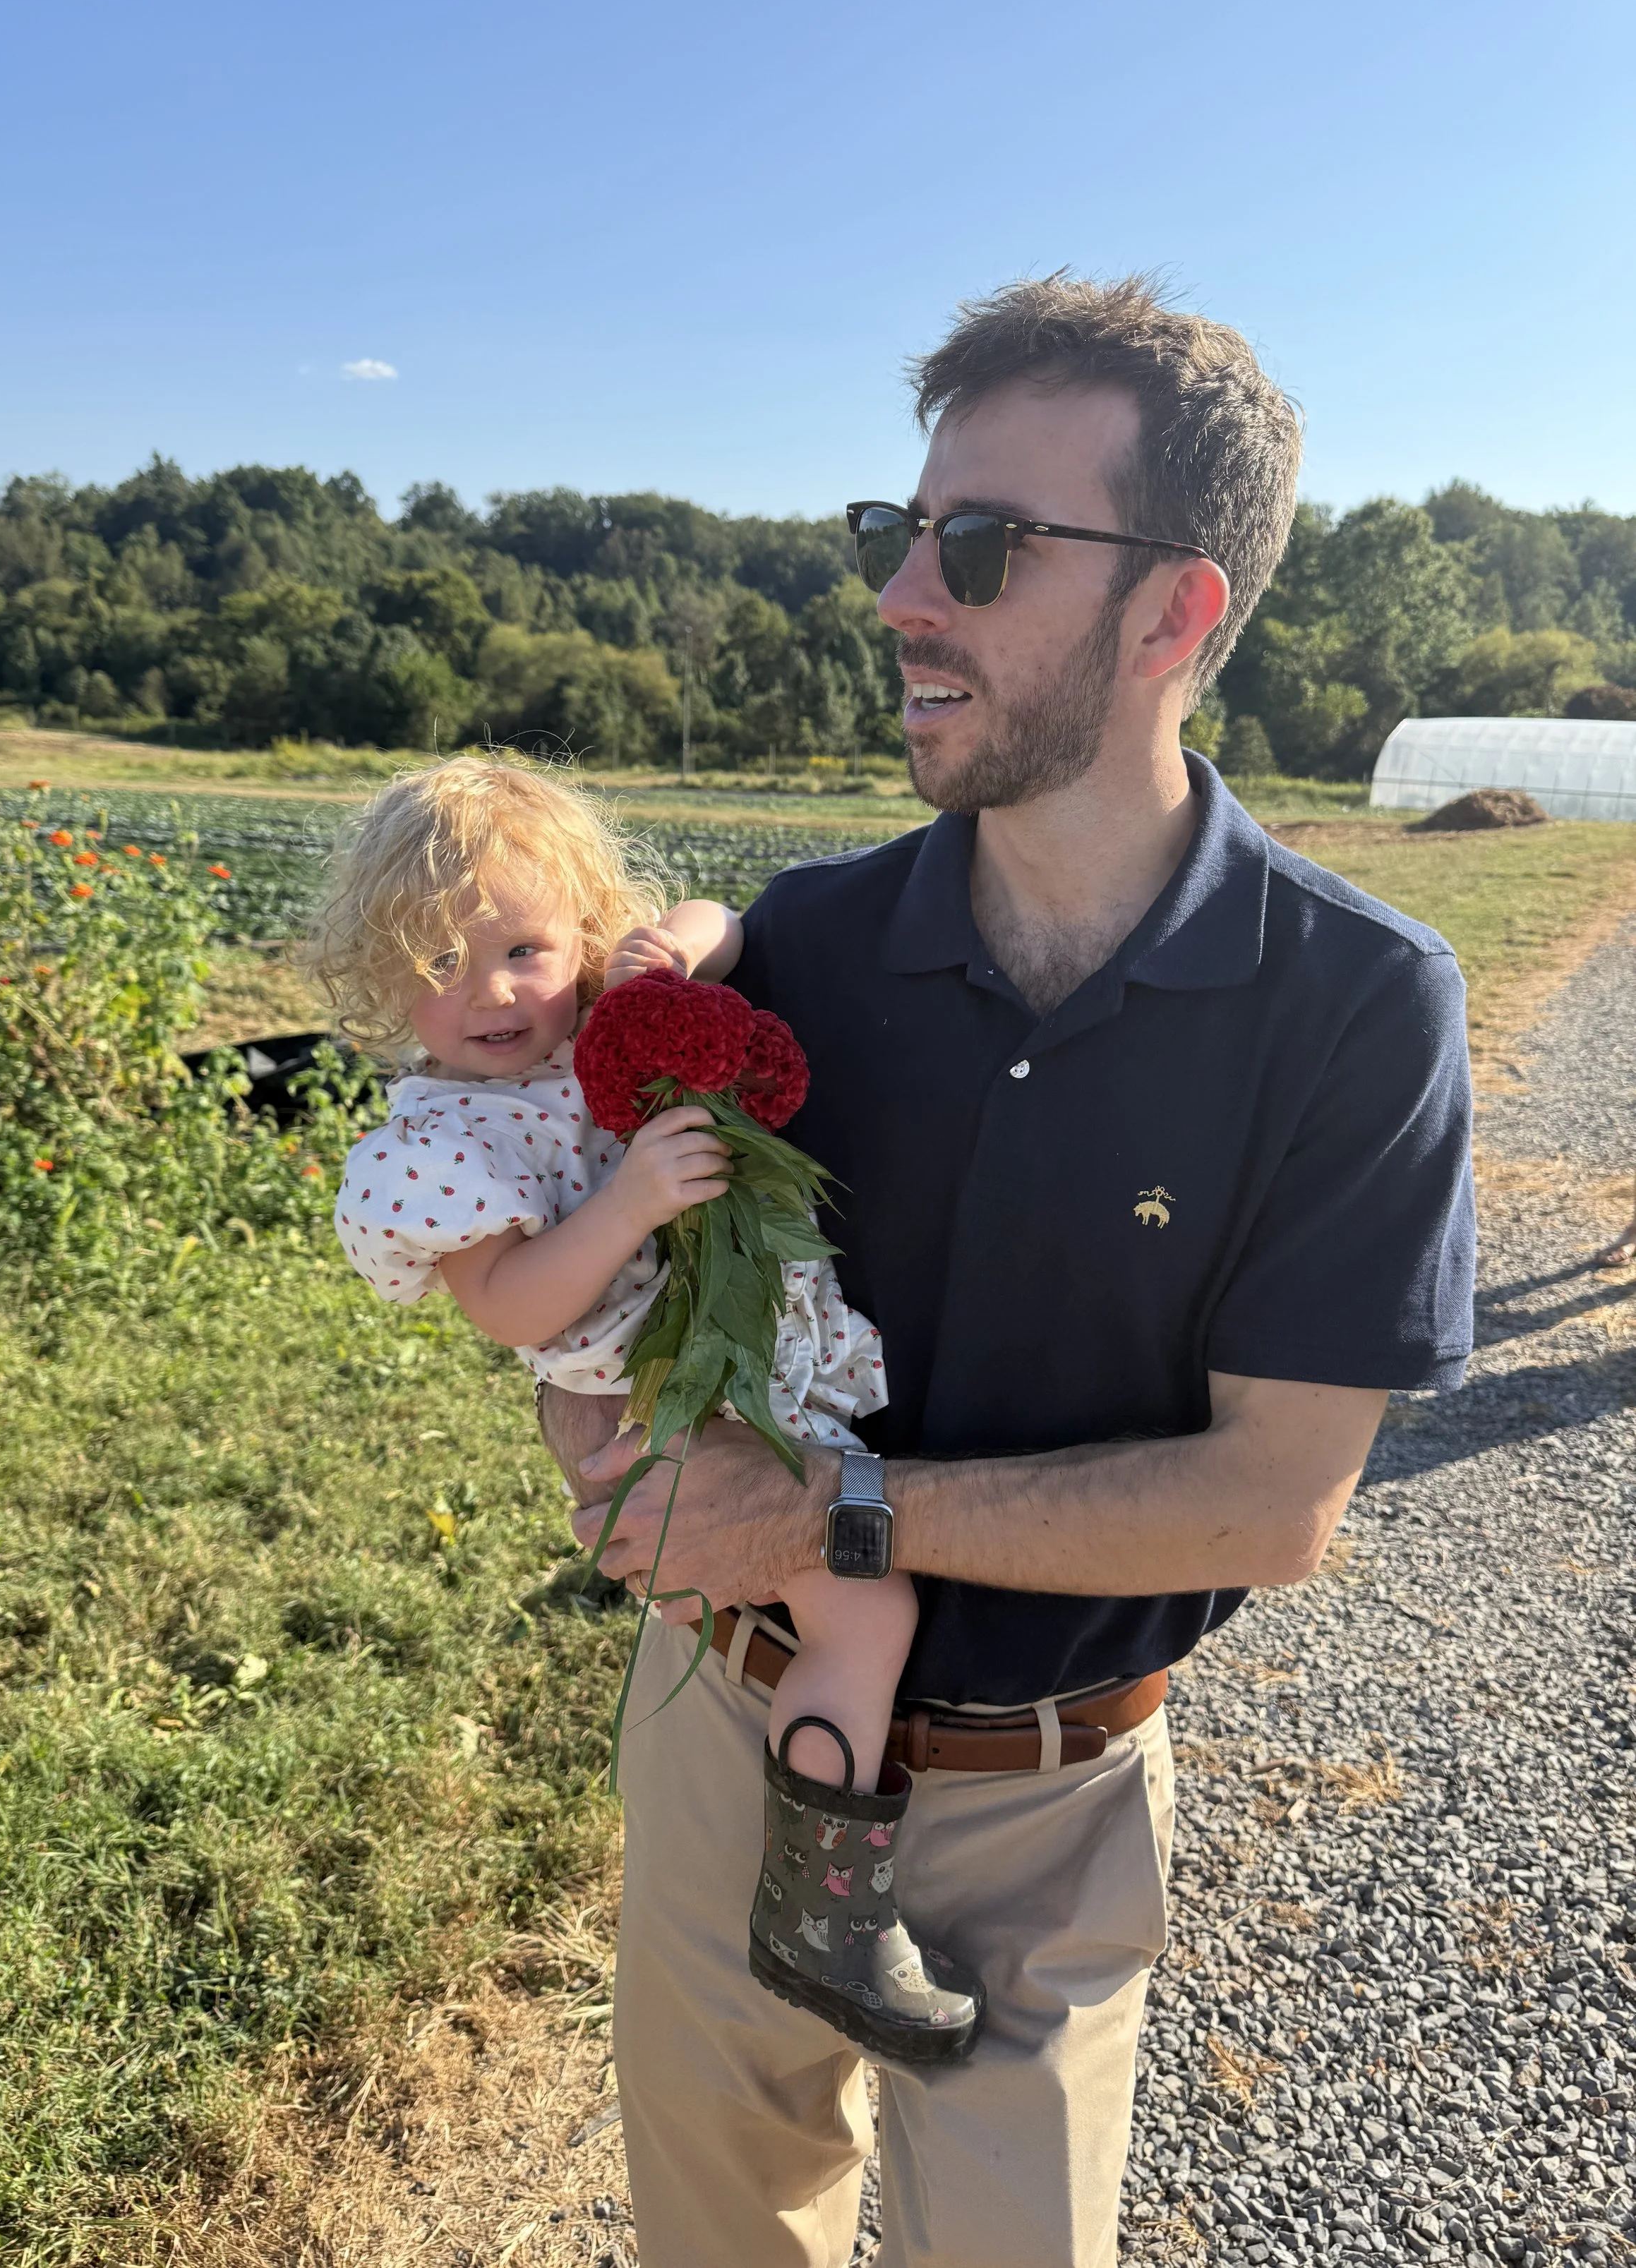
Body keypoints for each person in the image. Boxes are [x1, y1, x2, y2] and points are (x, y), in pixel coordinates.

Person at [547, 273, 1476, 2268]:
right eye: (897, 534)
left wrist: (830, 1505)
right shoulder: (796, 942)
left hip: (1047, 1798)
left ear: (1173, 613)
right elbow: (613, 1258)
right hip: (733, 1717)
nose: (900, 595)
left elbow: (1273, 1500)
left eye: (977, 546)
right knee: (714, 2237)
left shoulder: (1353, 1007)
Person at [308, 755, 985, 2061]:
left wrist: (657, 957)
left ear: (580, 929)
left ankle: (797, 1848)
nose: (488, 993)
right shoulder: (436, 1145)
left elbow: (724, 924)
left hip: (726, 1350)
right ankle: (823, 1907)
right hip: (654, 1392)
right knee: (865, 1596)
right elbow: (509, 1305)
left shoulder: (607, 1030)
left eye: (522, 949)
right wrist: (628, 1204)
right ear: (378, 980)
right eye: (435, 963)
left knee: (783, 1606)